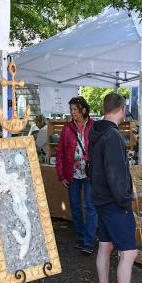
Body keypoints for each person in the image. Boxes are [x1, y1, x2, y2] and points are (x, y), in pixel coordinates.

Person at [89, 92, 142, 283]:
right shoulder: (112, 136)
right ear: (123, 110)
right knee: (129, 252)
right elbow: (115, 174)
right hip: (114, 203)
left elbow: (94, 168)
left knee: (105, 246)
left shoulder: (96, 132)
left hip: (102, 200)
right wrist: (126, 200)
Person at [55, 96, 96, 255]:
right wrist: (61, 175)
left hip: (90, 175)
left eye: (74, 110)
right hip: (72, 175)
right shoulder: (67, 129)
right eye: (71, 110)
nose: (72, 113)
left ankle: (89, 241)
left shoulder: (94, 126)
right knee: (76, 208)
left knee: (90, 207)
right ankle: (81, 237)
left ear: (83, 110)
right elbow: (60, 153)